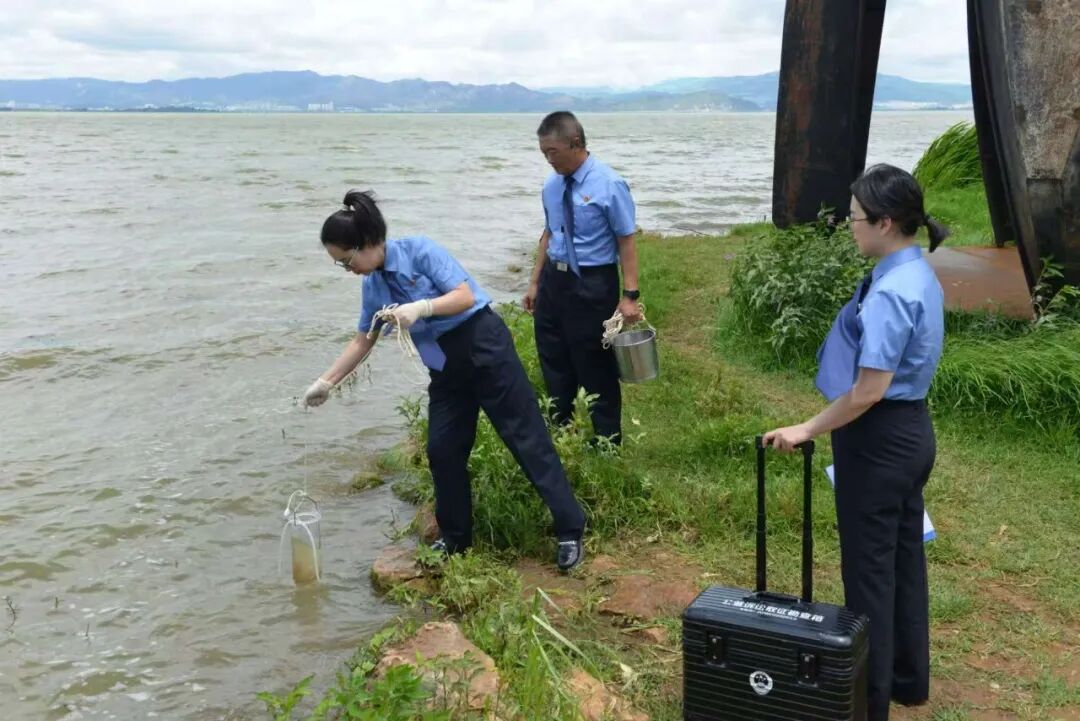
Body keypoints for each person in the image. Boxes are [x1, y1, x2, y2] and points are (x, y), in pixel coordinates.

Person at [303, 190, 587, 571]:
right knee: (442, 449)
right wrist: (326, 382)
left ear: (367, 243)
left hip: (483, 345)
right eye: (340, 265)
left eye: (346, 260)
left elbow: (464, 296)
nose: (347, 269)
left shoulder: (420, 251)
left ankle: (570, 526)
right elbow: (363, 339)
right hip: (444, 369)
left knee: (525, 437)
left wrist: (422, 307)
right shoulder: (373, 287)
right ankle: (455, 538)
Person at [763, 164, 947, 721]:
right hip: (911, 432)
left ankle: (866, 703)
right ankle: (907, 681)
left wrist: (808, 428)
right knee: (902, 560)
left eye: (855, 219)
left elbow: (868, 391)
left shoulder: (894, 291)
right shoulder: (916, 271)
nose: (850, 227)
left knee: (868, 573)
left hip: (879, 439)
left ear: (886, 223)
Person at [523, 111, 641, 445]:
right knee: (553, 358)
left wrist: (630, 294)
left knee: (594, 364)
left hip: (592, 284)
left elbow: (626, 239)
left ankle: (607, 443)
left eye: (552, 152)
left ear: (575, 143)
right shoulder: (550, 185)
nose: (548, 159)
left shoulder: (609, 184)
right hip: (553, 283)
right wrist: (534, 283)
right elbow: (549, 233)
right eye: (543, 153)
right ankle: (561, 437)